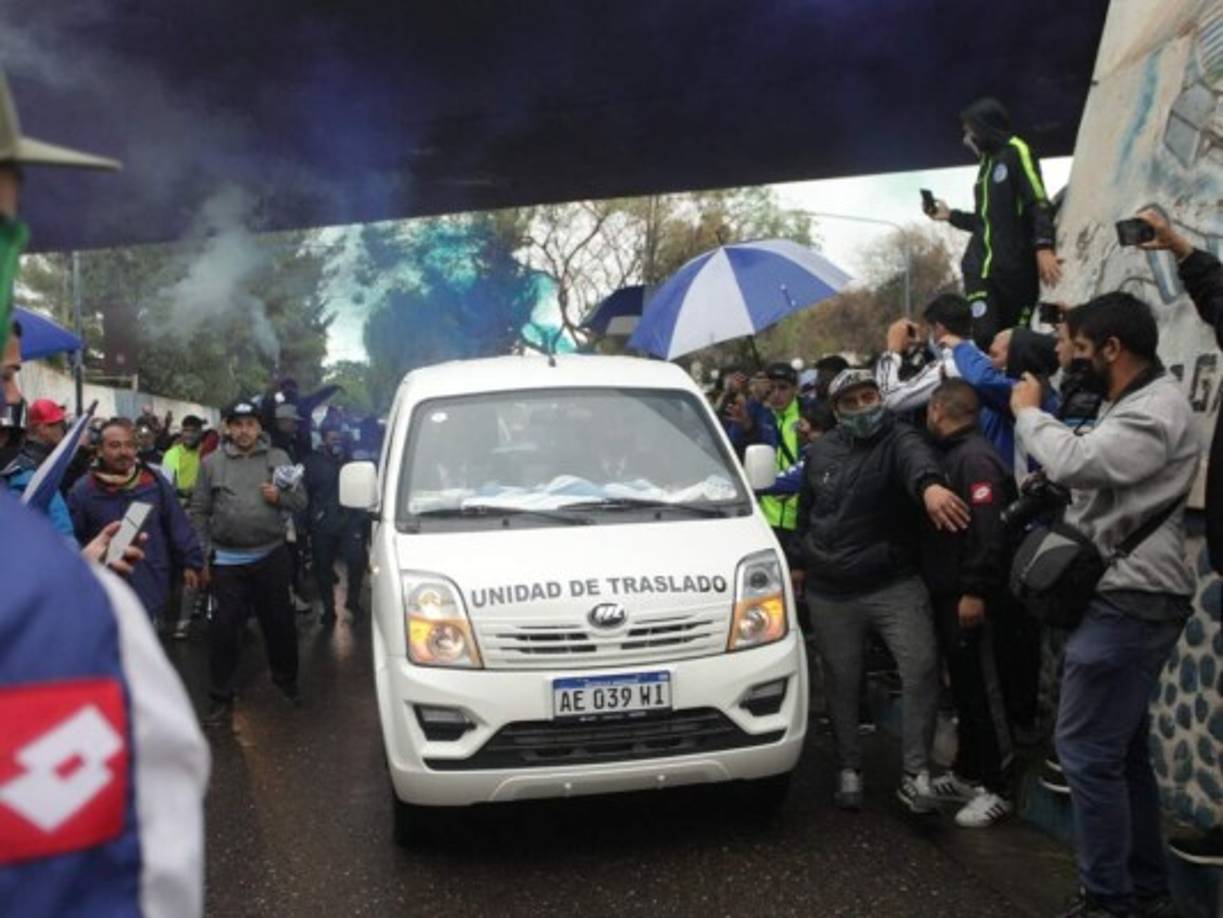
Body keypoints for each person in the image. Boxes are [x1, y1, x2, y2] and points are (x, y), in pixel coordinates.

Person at [1011, 292, 1196, 918]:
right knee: (1121, 755)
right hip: (1123, 598)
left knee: (1086, 753)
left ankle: (1109, 901)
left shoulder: (1155, 410)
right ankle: (1143, 891)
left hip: (1132, 602)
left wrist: (1029, 414)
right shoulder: (1131, 403)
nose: (1070, 358)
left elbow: (1080, 461)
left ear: (1113, 349)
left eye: (1081, 348)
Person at [795, 368, 970, 812]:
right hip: (831, 589)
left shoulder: (900, 438)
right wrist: (799, 563)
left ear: (880, 398)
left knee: (921, 668)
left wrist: (930, 488)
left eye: (868, 397)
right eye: (850, 402)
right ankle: (848, 766)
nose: (862, 408)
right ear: (836, 410)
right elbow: (806, 511)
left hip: (893, 582)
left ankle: (916, 774)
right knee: (841, 680)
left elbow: (918, 463)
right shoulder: (820, 452)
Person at [921, 380, 1017, 828]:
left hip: (971, 597)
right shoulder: (952, 454)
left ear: (938, 410)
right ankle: (967, 773)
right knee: (964, 690)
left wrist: (975, 590)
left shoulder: (975, 458)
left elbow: (988, 529)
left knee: (983, 692)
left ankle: (1000, 788)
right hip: (950, 593)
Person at [190, 398, 308, 726]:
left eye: (250, 424)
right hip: (226, 561)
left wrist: (279, 497)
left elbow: (301, 501)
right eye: (237, 425)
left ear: (259, 428)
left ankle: (286, 683)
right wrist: (202, 555)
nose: (244, 431)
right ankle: (220, 697)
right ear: (227, 428)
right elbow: (199, 510)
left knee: (280, 625)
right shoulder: (211, 463)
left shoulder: (278, 458)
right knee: (224, 631)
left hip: (271, 555)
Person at [928, 98, 1061, 348]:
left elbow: (1038, 201)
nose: (967, 139)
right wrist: (950, 215)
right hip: (981, 269)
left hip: (1017, 272)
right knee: (985, 337)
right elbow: (986, 221)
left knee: (1013, 343)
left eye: (970, 131)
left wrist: (1044, 246)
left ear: (985, 126)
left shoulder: (1016, 151)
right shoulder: (985, 165)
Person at [67, 417, 205, 627]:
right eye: (115, 445)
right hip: (105, 592)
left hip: (151, 585)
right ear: (100, 450)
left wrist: (191, 561)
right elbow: (71, 539)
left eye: (129, 445)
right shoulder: (84, 491)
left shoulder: (153, 482)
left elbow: (177, 523)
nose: (124, 452)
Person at [304, 423, 367, 624]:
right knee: (323, 568)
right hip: (323, 524)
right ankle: (329, 609)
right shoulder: (312, 462)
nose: (337, 443)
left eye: (340, 438)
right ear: (323, 439)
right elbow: (305, 493)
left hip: (351, 521)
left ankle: (353, 602)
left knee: (357, 563)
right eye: (333, 439)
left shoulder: (351, 460)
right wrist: (308, 522)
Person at [1, 396, 75, 540]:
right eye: (59, 424)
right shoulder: (34, 472)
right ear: (42, 428)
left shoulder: (27, 469)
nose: (64, 429)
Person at [162, 414, 208, 639]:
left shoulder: (207, 453)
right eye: (186, 430)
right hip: (178, 513)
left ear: (200, 432)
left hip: (203, 515)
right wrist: (183, 494)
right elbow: (166, 485)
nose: (189, 434)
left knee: (196, 563)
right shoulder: (172, 454)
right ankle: (166, 616)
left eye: (193, 430)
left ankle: (184, 621)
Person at [758, 362, 804, 560]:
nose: (776, 394)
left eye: (783, 388)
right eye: (771, 389)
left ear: (795, 388)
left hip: (800, 523)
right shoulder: (763, 416)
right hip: (766, 522)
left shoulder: (808, 416)